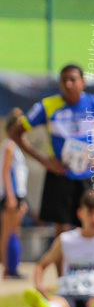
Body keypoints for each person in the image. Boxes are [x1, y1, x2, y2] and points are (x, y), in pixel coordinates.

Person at [10, 64, 94, 239]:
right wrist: (45, 161)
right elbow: (16, 133)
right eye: (64, 80)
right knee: (61, 228)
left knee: (91, 222)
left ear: (83, 82)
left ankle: (88, 264)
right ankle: (63, 266)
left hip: (87, 175)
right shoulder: (47, 106)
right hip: (60, 174)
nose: (68, 84)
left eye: (73, 79)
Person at [23, 190, 94, 307]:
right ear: (80, 214)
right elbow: (41, 265)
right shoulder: (66, 239)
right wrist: (39, 287)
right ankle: (46, 306)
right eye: (90, 213)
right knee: (58, 305)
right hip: (68, 292)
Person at [2, 109, 29, 278]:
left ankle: (13, 266)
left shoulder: (16, 147)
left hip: (18, 194)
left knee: (14, 232)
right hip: (11, 195)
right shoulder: (9, 146)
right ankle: (7, 268)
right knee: (7, 232)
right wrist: (11, 197)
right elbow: (5, 172)